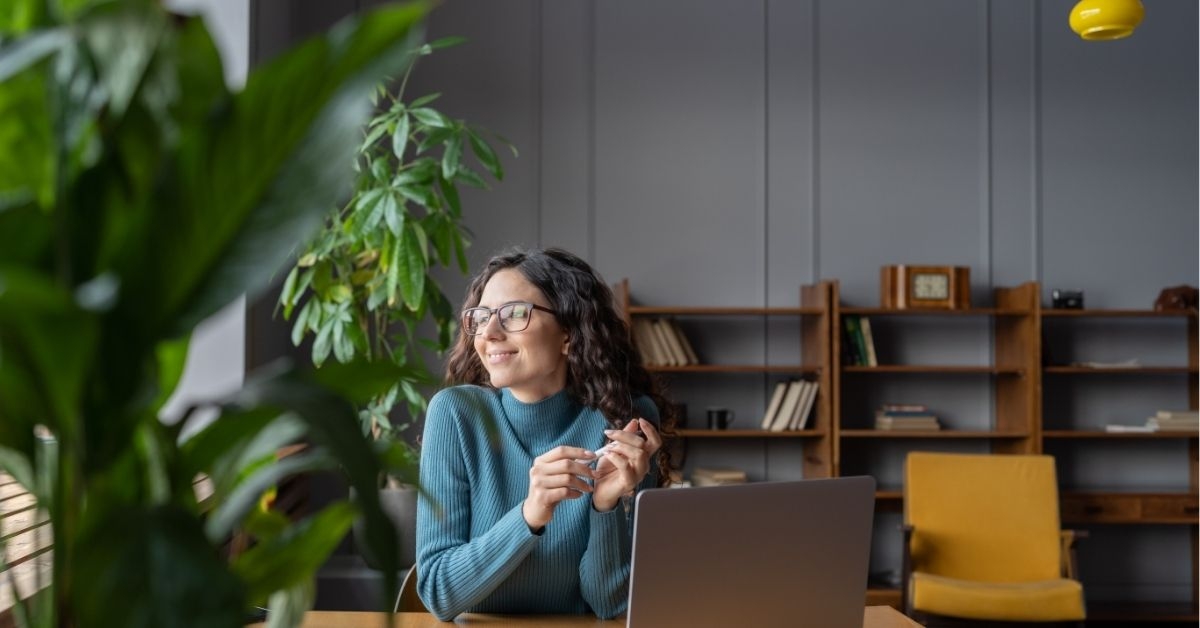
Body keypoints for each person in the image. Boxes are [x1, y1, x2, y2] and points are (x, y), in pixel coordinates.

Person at [415, 246, 676, 621]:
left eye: (514, 314)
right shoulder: (456, 415)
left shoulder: (626, 421)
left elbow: (612, 603)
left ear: (568, 334)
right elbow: (439, 592)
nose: (489, 333)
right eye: (481, 316)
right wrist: (530, 514)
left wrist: (605, 506)